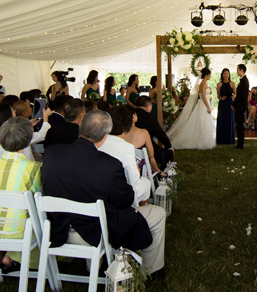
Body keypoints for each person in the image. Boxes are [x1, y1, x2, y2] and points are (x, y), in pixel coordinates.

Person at [41, 110, 165, 274]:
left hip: (57, 228)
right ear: (104, 137)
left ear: (80, 128)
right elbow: (125, 200)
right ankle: (151, 270)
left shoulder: (52, 153)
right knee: (158, 214)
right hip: (93, 232)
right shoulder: (109, 165)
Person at [0, 117, 42, 272]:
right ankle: (14, 257)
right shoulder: (33, 168)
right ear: (29, 142)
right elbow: (39, 200)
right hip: (24, 231)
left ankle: (7, 255)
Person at [101, 106, 152, 207]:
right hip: (119, 192)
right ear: (128, 126)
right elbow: (133, 179)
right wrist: (137, 171)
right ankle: (141, 212)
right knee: (146, 183)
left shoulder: (101, 141)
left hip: (101, 187)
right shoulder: (126, 147)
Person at [165, 68, 216, 150]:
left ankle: (204, 140)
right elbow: (203, 96)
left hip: (204, 103)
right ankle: (202, 141)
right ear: (206, 75)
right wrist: (208, 107)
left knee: (205, 122)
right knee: (203, 122)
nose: (210, 76)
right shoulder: (203, 83)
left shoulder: (204, 83)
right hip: (203, 104)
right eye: (209, 74)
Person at [134, 95, 175, 169]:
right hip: (146, 147)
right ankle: (163, 173)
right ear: (147, 106)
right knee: (168, 154)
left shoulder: (130, 115)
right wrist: (169, 146)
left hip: (131, 146)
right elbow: (160, 134)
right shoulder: (150, 118)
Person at [216, 68, 236, 146]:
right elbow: (218, 95)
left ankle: (229, 139)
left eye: (227, 73)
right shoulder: (219, 84)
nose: (226, 75)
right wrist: (221, 98)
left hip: (229, 103)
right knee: (221, 120)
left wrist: (232, 97)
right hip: (222, 104)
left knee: (229, 120)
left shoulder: (232, 84)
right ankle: (221, 140)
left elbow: (235, 94)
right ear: (222, 75)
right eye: (224, 73)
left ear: (229, 74)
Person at [234, 64, 249, 149]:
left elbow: (240, 96)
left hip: (241, 106)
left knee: (240, 125)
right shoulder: (242, 80)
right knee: (239, 125)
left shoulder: (244, 81)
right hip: (240, 105)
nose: (237, 71)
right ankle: (240, 143)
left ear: (241, 70)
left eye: (237, 69)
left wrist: (234, 104)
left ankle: (241, 144)